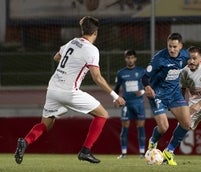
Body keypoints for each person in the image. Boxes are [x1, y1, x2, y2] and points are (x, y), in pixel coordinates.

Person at [14, 16, 125, 164]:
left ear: (82, 30)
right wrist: (115, 95)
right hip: (69, 91)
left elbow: (56, 57)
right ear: (95, 33)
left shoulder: (72, 42)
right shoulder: (92, 50)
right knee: (103, 115)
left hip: (53, 89)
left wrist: (71, 64)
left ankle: (25, 142)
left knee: (46, 124)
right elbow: (97, 78)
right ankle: (85, 150)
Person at [142, 33, 192, 165]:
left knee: (187, 124)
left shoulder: (185, 55)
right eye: (170, 46)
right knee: (164, 127)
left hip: (174, 94)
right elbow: (145, 77)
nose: (172, 49)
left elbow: (193, 63)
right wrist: (147, 87)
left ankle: (169, 152)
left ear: (180, 46)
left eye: (175, 47)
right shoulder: (159, 58)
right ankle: (153, 141)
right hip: (157, 95)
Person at [114, 50, 146, 159]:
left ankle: (142, 153)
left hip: (139, 104)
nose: (130, 60)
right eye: (128, 58)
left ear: (135, 58)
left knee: (140, 127)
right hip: (126, 104)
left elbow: (148, 86)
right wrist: (115, 99)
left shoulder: (142, 71)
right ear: (125, 59)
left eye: (132, 58)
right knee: (125, 127)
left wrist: (141, 92)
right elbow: (117, 88)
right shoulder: (121, 73)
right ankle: (123, 153)